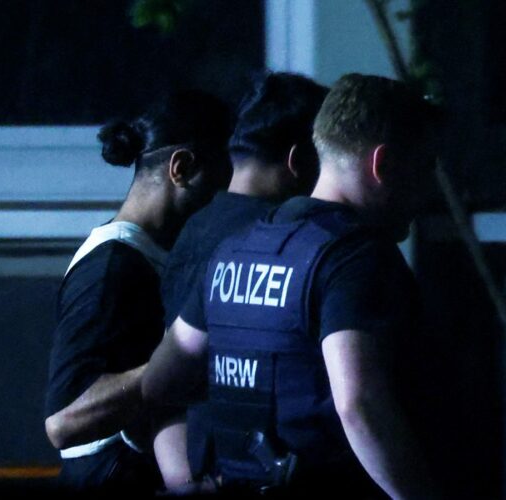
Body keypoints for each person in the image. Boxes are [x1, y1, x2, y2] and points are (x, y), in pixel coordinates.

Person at [142, 74, 443, 498]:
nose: (429, 190)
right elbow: (358, 405)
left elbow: (160, 381)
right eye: (424, 167)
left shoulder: (236, 247)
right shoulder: (356, 258)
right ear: (382, 164)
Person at [43, 89, 232, 494]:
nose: (224, 200)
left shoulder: (153, 255)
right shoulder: (112, 267)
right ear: (181, 168)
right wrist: (177, 361)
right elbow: (62, 422)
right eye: (220, 181)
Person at [153, 71, 327, 490]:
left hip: (205, 463)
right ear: (299, 161)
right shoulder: (276, 241)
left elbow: (167, 382)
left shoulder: (195, 228)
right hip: (255, 467)